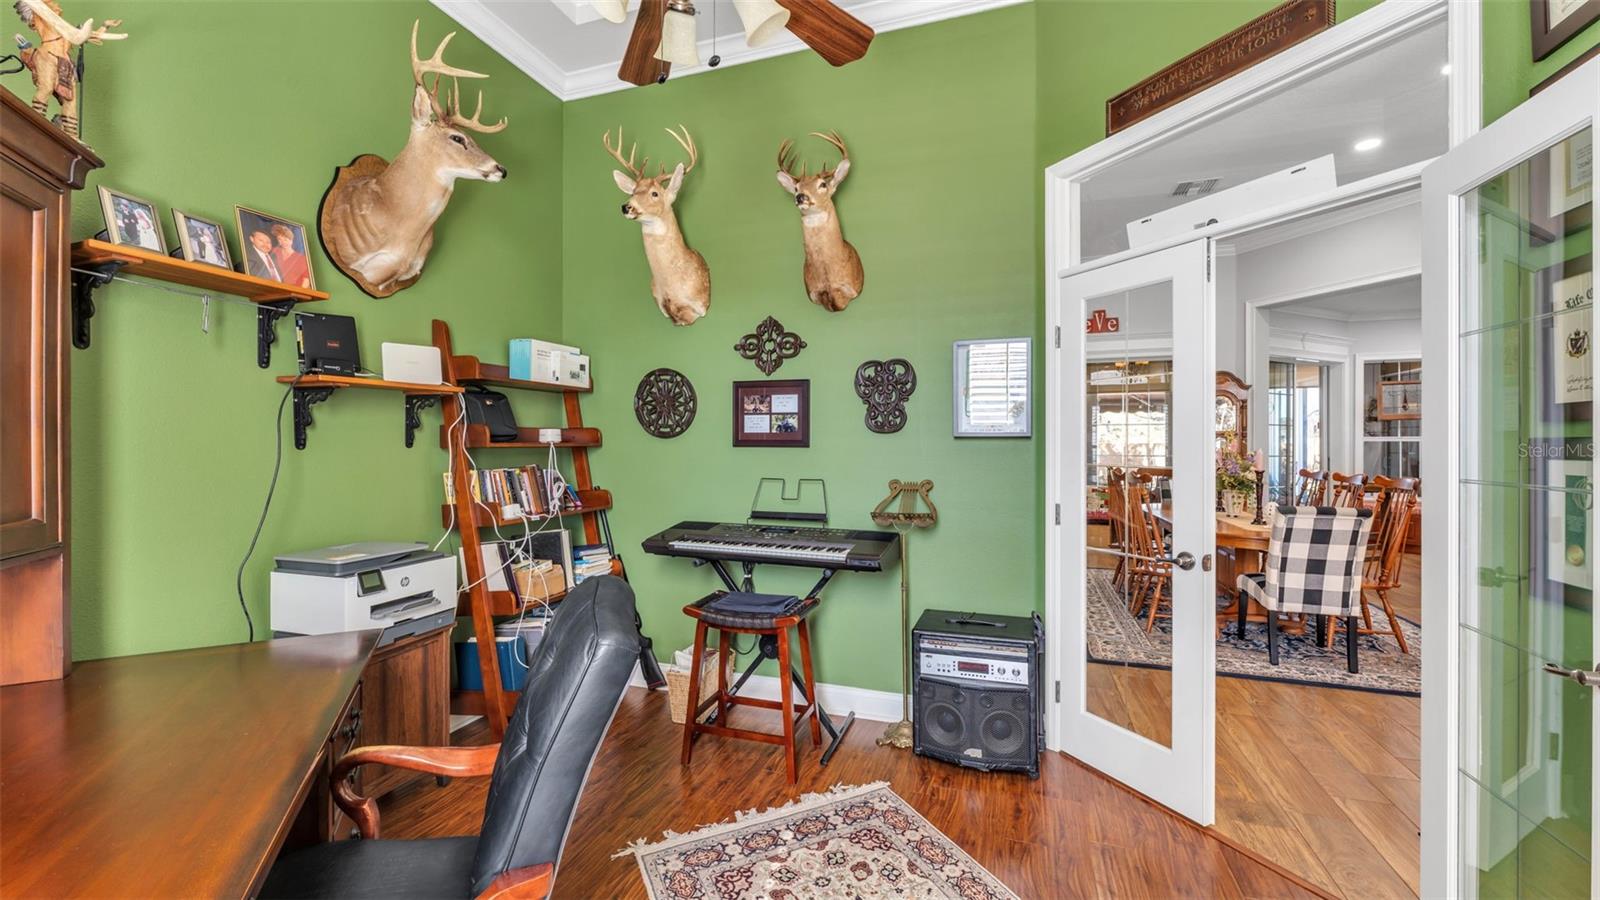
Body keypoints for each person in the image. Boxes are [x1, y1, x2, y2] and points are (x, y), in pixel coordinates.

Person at [270, 223, 311, 288]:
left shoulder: (302, 258)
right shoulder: (274, 251)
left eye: (285, 239)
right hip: (275, 288)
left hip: (294, 290)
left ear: (291, 240)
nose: (283, 242)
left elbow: (306, 281)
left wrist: (298, 292)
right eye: (280, 239)